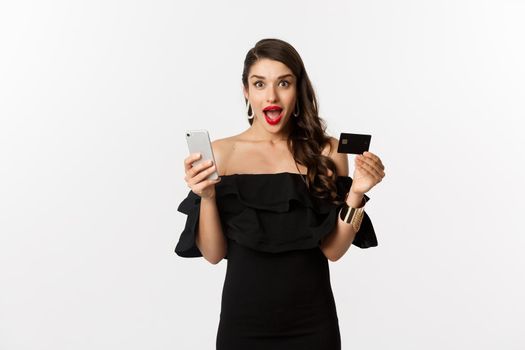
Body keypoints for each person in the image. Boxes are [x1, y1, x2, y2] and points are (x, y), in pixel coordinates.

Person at [175, 38, 386, 350]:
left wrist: (356, 193)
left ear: (297, 89)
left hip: (313, 325)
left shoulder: (327, 152)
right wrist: (206, 196)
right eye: (259, 84)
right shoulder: (221, 153)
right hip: (243, 325)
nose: (271, 96)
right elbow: (213, 254)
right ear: (246, 91)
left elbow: (333, 250)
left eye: (283, 83)